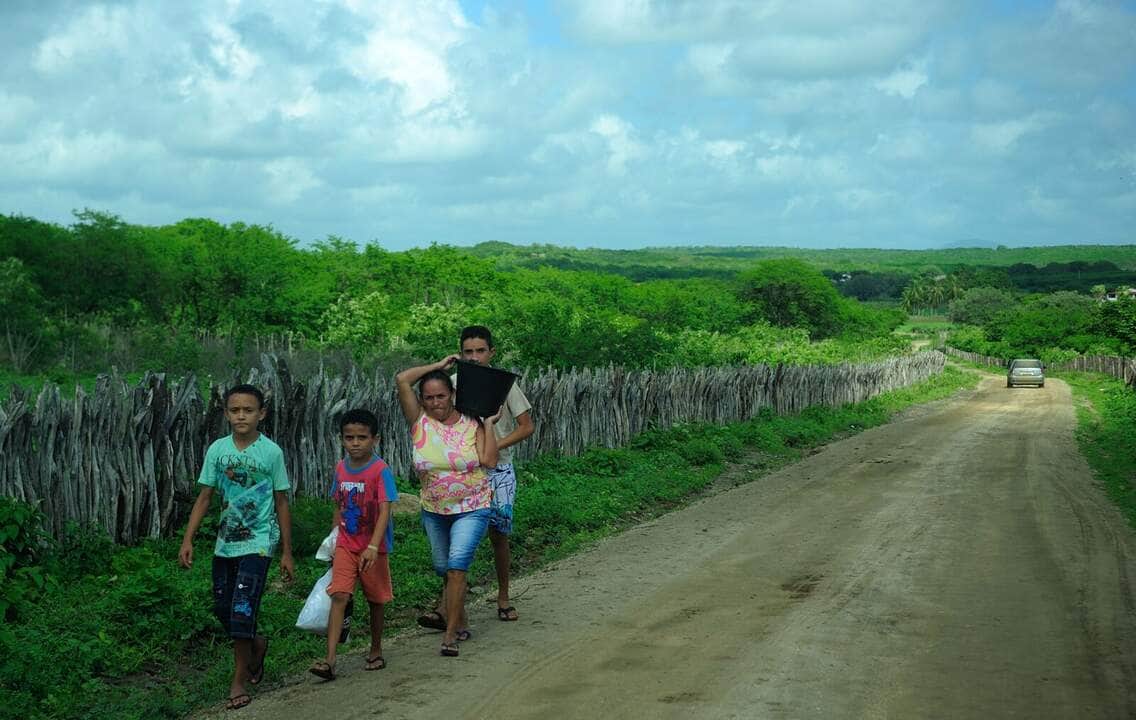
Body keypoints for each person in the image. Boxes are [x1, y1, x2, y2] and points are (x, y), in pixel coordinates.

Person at [179, 384, 294, 712]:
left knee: (242, 610)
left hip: (259, 542)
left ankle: (238, 682)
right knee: (222, 609)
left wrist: (286, 551)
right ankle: (257, 644)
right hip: (225, 543)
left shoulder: (271, 452)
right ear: (226, 413)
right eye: (234, 410)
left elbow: (282, 501)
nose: (241, 416)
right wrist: (188, 539)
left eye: (248, 410)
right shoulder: (218, 450)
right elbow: (205, 497)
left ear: (262, 414)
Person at [396, 356, 500, 657]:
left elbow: (489, 461)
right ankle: (460, 617)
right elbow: (403, 379)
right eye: (428, 397)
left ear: (452, 395)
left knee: (456, 566)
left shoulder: (472, 423)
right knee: (443, 567)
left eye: (441, 395)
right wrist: (438, 365)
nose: (435, 402)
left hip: (473, 505)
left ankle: (450, 634)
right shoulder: (419, 422)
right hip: (434, 509)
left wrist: (490, 425)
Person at [309, 409, 398, 681]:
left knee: (375, 599)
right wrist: (333, 539)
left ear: (375, 439)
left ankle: (375, 648)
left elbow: (385, 510)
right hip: (347, 543)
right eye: (349, 437)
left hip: (373, 547)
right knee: (339, 595)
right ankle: (330, 659)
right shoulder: (340, 468)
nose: (355, 443)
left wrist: (373, 546)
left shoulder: (380, 471)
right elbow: (338, 503)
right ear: (342, 439)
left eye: (362, 437)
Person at [454, 325, 533, 622]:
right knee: (458, 537)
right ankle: (449, 605)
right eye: (468, 351)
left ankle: (503, 596)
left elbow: (526, 426)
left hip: (499, 469)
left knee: (498, 534)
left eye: (480, 351)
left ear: (491, 352)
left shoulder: (505, 386)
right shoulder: (452, 384)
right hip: (463, 471)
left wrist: (493, 445)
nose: (474, 357)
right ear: (460, 353)